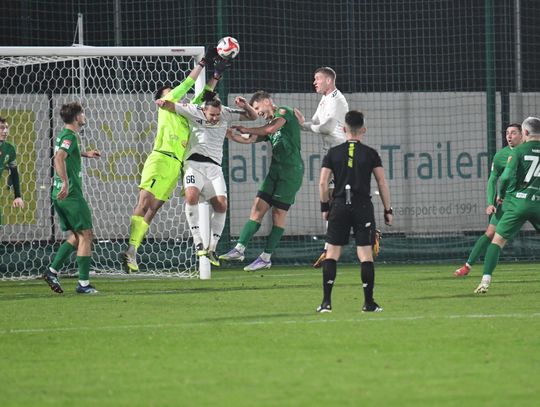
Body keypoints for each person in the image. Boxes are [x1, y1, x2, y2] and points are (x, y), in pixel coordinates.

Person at [122, 48, 231, 273]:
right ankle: (130, 248)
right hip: (160, 158)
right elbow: (187, 84)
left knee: (153, 209)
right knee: (144, 202)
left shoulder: (185, 113)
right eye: (170, 92)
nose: (175, 94)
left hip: (176, 166)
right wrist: (202, 63)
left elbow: (204, 97)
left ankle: (133, 252)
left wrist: (216, 75)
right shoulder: (166, 107)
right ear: (162, 98)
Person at [156, 90, 257, 266]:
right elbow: (171, 105)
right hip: (193, 164)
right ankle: (198, 242)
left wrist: (246, 105)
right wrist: (163, 102)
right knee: (191, 196)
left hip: (214, 168)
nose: (215, 118)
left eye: (217, 115)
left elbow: (253, 117)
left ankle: (212, 248)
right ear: (204, 110)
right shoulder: (193, 110)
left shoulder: (225, 113)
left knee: (221, 205)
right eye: (212, 115)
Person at [316, 110, 393, 313]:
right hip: (362, 206)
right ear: (363, 130)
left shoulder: (333, 153)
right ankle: (368, 303)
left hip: (339, 205)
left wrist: (325, 207)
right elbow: (382, 182)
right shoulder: (371, 153)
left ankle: (326, 303)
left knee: (332, 253)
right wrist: (388, 210)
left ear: (344, 129)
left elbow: (323, 182)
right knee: (365, 254)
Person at [219, 90, 304, 271]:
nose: (258, 112)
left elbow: (270, 129)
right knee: (257, 207)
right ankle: (239, 249)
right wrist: (227, 134)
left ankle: (266, 257)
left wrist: (246, 128)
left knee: (278, 214)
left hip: (291, 172)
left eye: (258, 108)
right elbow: (250, 139)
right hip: (275, 171)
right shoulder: (268, 124)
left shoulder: (284, 111)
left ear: (267, 101)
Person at [474, 116, 540, 294]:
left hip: (519, 203)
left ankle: (485, 281)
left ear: (525, 132)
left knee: (497, 241)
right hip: (538, 202)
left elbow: (504, 178)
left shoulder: (518, 151)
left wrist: (501, 195)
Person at [43, 102, 102, 294]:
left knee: (77, 236)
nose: (84, 116)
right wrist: (65, 183)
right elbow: (59, 158)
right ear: (77, 117)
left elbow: (66, 152)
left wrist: (85, 154)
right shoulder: (70, 136)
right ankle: (83, 284)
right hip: (70, 195)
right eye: (82, 113)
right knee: (86, 235)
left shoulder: (65, 135)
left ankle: (52, 271)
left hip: (60, 195)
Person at [294, 67, 349, 268]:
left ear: (328, 80)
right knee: (333, 201)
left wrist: (306, 126)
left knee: (338, 201)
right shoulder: (325, 99)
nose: (314, 82)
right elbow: (315, 123)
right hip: (332, 154)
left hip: (342, 154)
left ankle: (367, 234)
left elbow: (325, 128)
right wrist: (300, 123)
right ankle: (328, 248)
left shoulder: (337, 100)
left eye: (317, 79)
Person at [454, 123, 524, 276]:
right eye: (507, 133)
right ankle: (467, 266)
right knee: (490, 233)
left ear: (522, 135)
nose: (509, 136)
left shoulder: (531, 151)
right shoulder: (500, 156)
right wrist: (490, 203)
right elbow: (493, 179)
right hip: (508, 201)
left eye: (513, 133)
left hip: (530, 200)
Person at [0, 116, 25, 225]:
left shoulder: (9, 148)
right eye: (1, 128)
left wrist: (18, 196)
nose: (5, 131)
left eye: (6, 127)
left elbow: (14, 173)